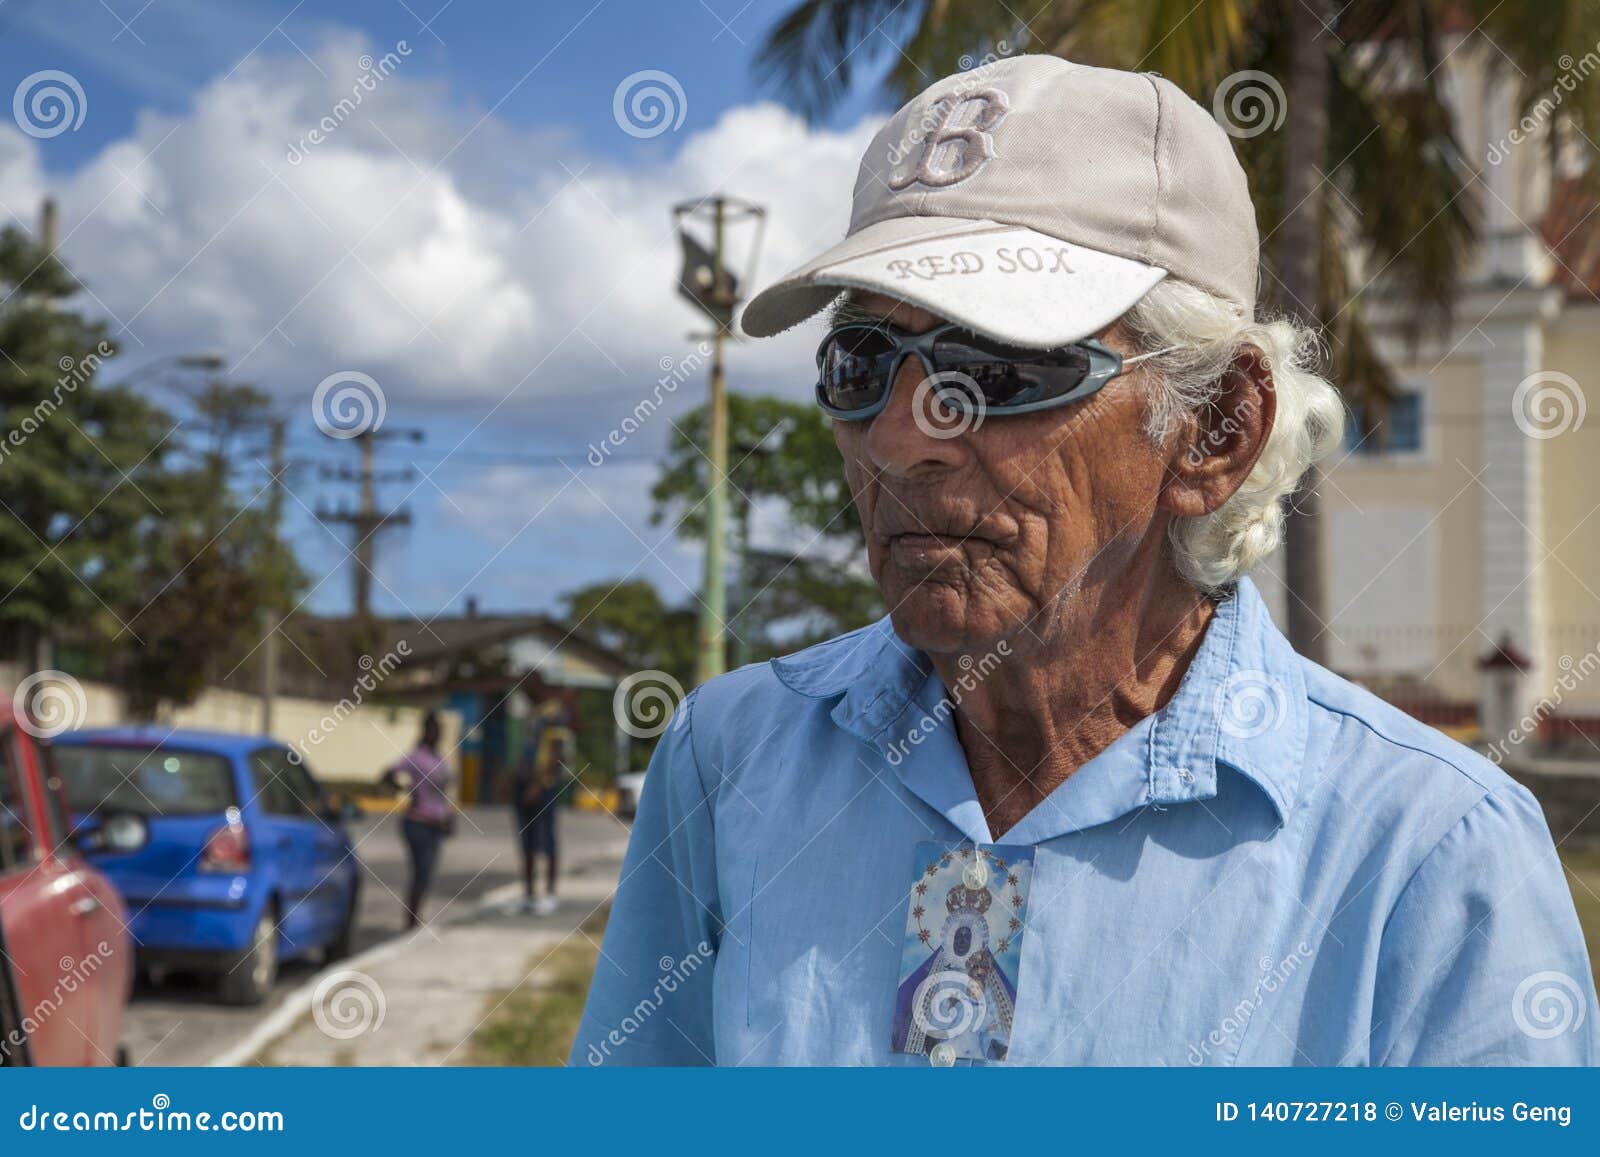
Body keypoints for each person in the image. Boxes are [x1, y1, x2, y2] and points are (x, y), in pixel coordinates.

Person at [572, 56, 1599, 1067]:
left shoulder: (1428, 854)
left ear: (1215, 427)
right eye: (861, 363)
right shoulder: (729, 757)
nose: (900, 435)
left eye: (999, 366)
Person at [382, 712, 454, 930]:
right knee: (420, 871)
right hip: (417, 823)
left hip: (436, 825)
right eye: (434, 731)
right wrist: (405, 791)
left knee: (428, 872)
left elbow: (442, 794)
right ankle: (410, 921)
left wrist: (448, 817)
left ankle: (416, 915)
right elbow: (387, 774)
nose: (438, 735)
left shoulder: (439, 758)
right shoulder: (415, 757)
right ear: (426, 732)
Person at [512, 696, 572, 916]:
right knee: (526, 842)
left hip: (543, 787)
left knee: (547, 840)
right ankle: (528, 895)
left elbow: (557, 752)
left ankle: (550, 894)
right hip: (524, 784)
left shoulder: (553, 713)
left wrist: (538, 785)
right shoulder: (532, 713)